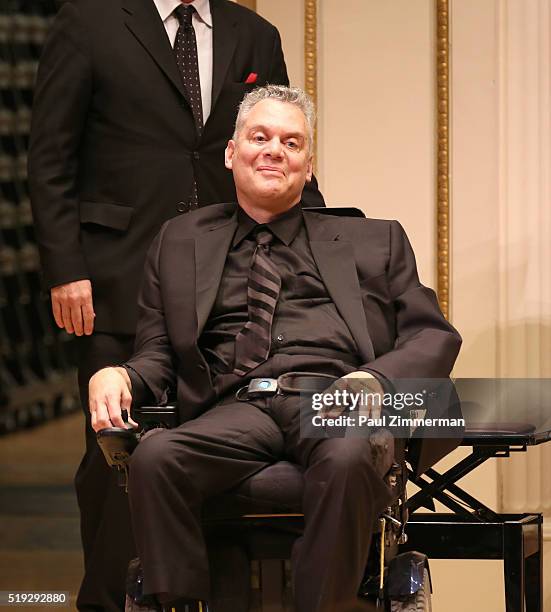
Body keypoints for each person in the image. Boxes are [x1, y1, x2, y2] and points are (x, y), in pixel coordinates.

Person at [89, 85, 461, 612]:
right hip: (234, 407)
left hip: (331, 399)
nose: (273, 150)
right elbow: (155, 353)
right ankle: (179, 604)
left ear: (308, 165)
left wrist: (373, 381)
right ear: (230, 152)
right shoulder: (179, 241)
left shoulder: (376, 240)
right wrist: (118, 375)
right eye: (259, 137)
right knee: (155, 456)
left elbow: (434, 335)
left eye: (291, 142)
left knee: (351, 454)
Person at [28, 2, 324, 610]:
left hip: (226, 285)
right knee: (116, 450)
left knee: (204, 449)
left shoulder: (255, 33)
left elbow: (279, 149)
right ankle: (109, 600)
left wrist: (329, 255)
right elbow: (49, 156)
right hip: (115, 276)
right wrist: (66, 268)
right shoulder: (88, 22)